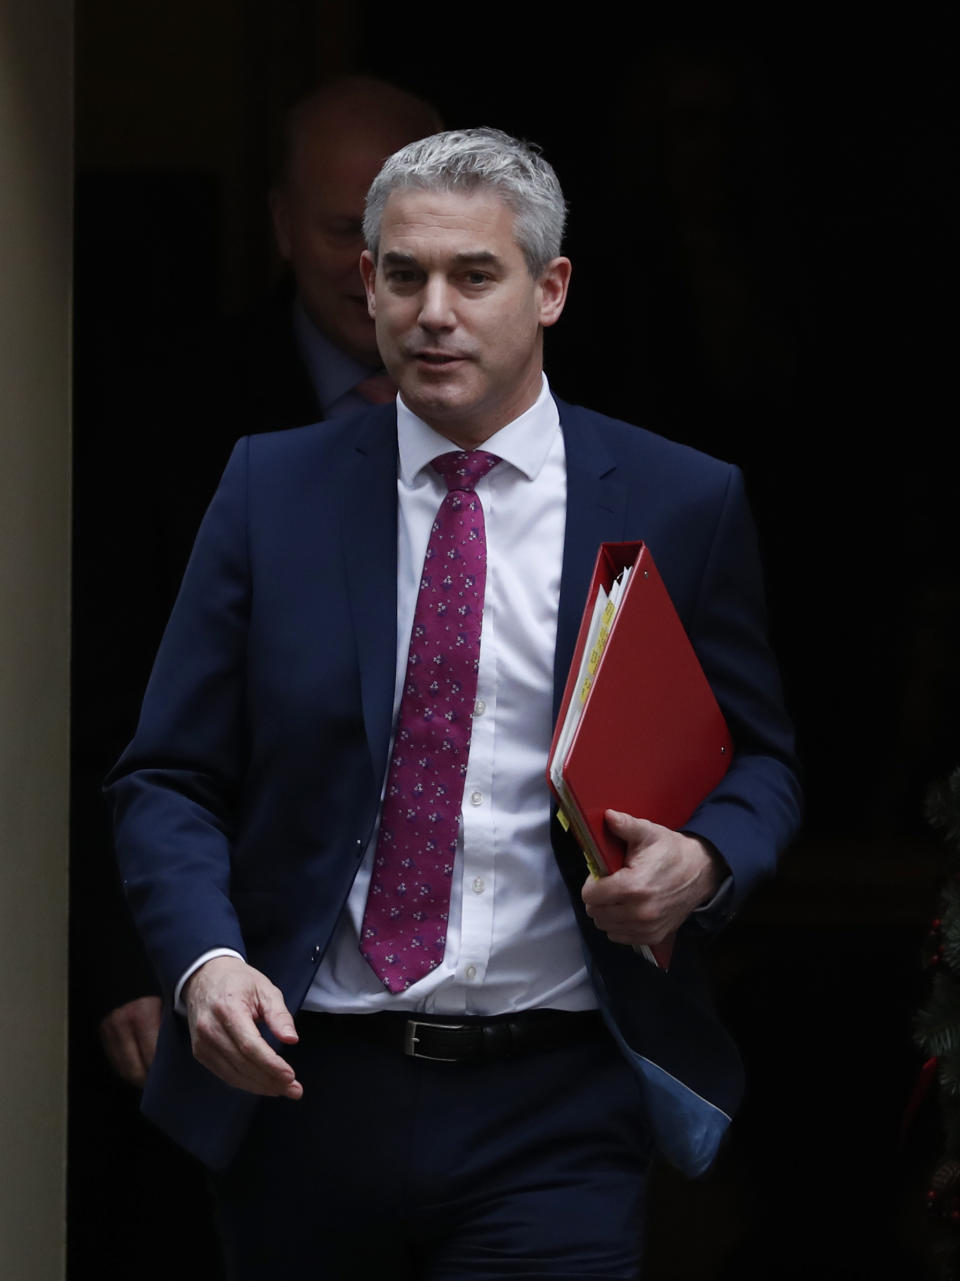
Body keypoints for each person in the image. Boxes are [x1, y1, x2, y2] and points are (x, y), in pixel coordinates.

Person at [108, 127, 801, 1279]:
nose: (435, 310)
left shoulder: (682, 500)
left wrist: (707, 863)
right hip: (303, 1082)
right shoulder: (269, 490)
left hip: (558, 1098)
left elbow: (763, 761)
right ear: (366, 284)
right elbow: (168, 776)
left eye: (475, 275)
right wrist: (203, 964)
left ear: (551, 290)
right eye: (403, 273)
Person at [94, 74, 441, 1088]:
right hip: (231, 959)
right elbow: (112, 706)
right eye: (345, 230)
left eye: (404, 228)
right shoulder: (164, 416)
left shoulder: (540, 421)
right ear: (283, 226)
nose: (376, 268)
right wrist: (139, 956)